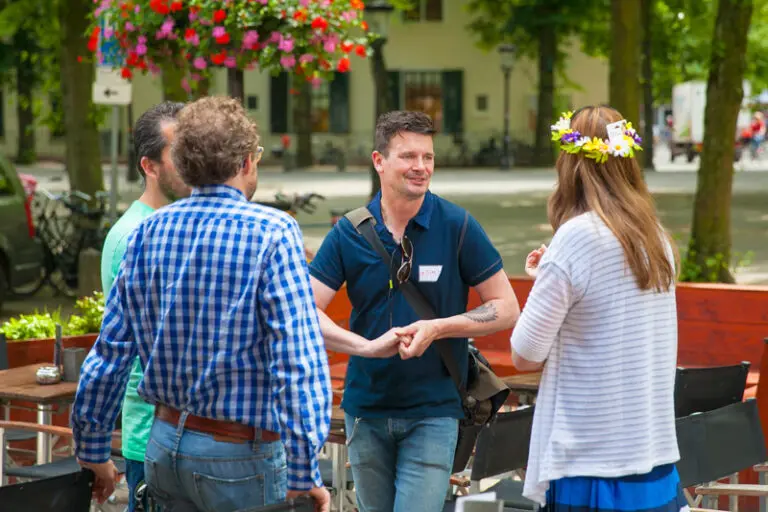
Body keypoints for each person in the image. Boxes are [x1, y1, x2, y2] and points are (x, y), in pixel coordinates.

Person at [71, 96, 332, 512]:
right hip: (241, 456)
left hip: (163, 447)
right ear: (245, 162)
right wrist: (304, 471)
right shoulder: (274, 232)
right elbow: (297, 362)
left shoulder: (147, 232)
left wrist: (92, 447)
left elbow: (109, 354)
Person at [309, 110, 520, 512]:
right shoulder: (349, 232)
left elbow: (507, 308)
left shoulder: (457, 224)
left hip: (434, 410)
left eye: (428, 157)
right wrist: (367, 347)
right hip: (366, 411)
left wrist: (437, 328)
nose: (421, 166)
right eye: (408, 156)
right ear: (379, 161)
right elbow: (303, 311)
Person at [512, 106, 685, 511]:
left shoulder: (576, 238)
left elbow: (525, 354)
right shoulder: (656, 238)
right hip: (652, 454)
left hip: (592, 459)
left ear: (571, 163)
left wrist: (548, 280)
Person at [98, 101, 190, 511]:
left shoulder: (184, 223)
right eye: (179, 154)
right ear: (149, 166)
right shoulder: (133, 235)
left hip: (189, 435)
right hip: (151, 437)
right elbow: (117, 351)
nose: (192, 163)